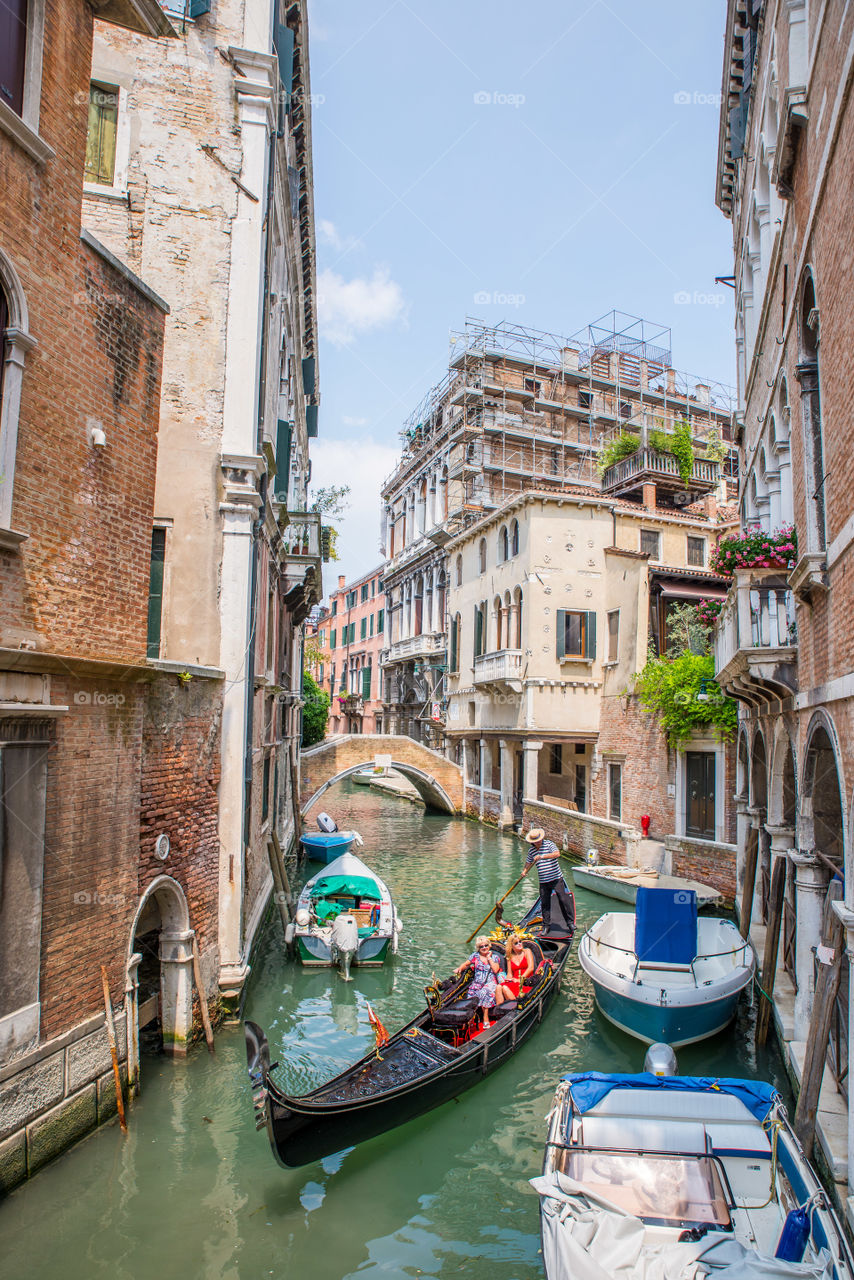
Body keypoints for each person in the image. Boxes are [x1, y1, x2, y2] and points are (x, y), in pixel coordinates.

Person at [521, 828, 576, 934]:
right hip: (543, 881)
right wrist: (524, 871)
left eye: (538, 840)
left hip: (556, 878)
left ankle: (570, 923)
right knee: (545, 903)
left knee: (563, 900)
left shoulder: (549, 844)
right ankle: (546, 926)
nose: (537, 842)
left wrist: (542, 856)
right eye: (535, 841)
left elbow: (557, 854)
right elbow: (528, 862)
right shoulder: (531, 851)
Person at [454, 936, 505, 1028]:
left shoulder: (494, 957)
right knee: (471, 994)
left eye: (486, 945)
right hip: (477, 983)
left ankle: (485, 1018)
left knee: (485, 992)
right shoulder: (475, 956)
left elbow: (496, 969)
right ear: (478, 948)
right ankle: (470, 1019)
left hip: (490, 982)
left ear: (489, 946)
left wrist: (489, 958)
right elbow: (466, 964)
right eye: (481, 946)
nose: (484, 948)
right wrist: (459, 969)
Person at [499, 933, 536, 1001]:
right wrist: (508, 979)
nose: (519, 944)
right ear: (511, 946)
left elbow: (531, 968)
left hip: (526, 981)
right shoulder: (509, 956)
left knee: (504, 988)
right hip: (515, 981)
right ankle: (499, 1009)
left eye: (520, 941)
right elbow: (510, 973)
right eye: (516, 943)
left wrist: (520, 979)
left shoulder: (527, 951)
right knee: (499, 987)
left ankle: (513, 1006)